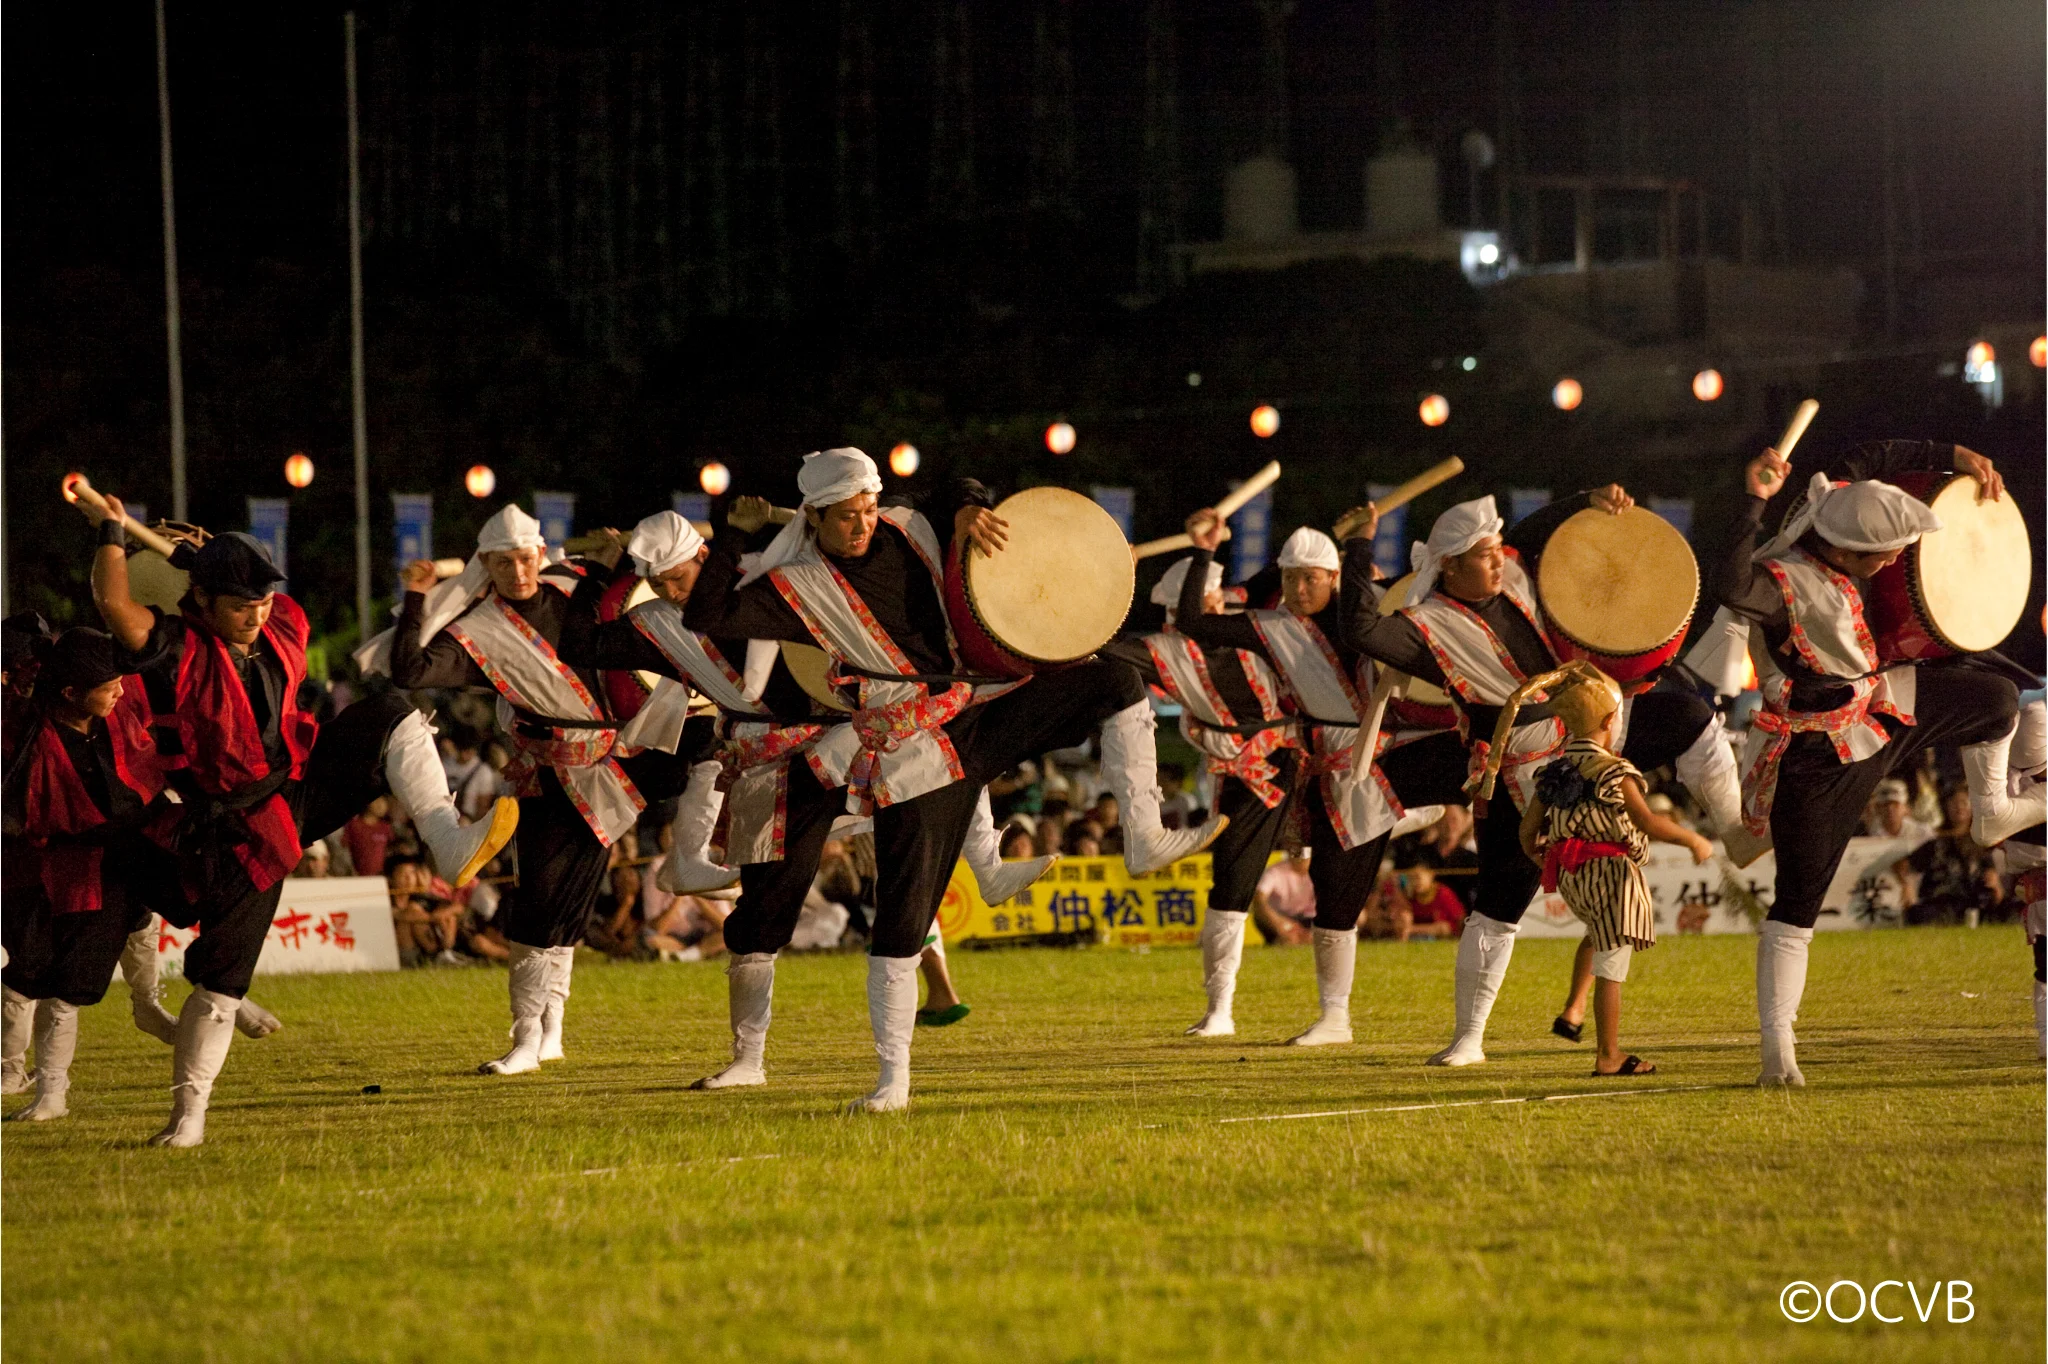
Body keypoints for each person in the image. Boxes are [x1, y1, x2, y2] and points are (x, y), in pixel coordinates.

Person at [682, 447, 1223, 1110]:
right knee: (886, 916)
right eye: (847, 516)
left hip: (972, 709)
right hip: (895, 750)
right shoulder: (795, 586)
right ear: (813, 518)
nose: (863, 523)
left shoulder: (906, 525)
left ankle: (1143, 835)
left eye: (867, 508)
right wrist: (732, 535)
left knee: (1116, 678)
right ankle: (872, 1080)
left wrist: (969, 509)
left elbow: (956, 483)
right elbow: (705, 616)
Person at [553, 505, 1054, 1091]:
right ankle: (748, 1060)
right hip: (766, 765)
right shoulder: (654, 626)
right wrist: (601, 575)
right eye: (659, 584)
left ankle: (987, 866)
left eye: (679, 578)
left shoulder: (769, 581)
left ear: (704, 557)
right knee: (762, 913)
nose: (671, 592)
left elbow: (827, 560)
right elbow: (579, 644)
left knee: (941, 751)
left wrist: (756, 529)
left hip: (842, 740)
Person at [79, 501, 516, 1146]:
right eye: (239, 605)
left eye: (261, 601)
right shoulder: (176, 648)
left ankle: (448, 841)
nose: (256, 615)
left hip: (297, 786)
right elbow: (115, 604)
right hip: (235, 826)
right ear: (201, 600)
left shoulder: (281, 623)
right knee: (222, 982)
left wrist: (202, 553)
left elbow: (255, 596)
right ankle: (187, 1118)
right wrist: (114, 532)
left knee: (392, 711)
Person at [1341, 486, 1744, 1068]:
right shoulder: (1425, 626)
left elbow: (1535, 535)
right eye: (1484, 555)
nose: (1498, 560)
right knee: (1501, 903)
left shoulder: (1512, 567)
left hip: (1590, 728)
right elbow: (1359, 628)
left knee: (1689, 717)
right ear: (1449, 566)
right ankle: (1468, 1038)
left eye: (1497, 548)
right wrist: (1359, 546)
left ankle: (1736, 828)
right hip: (1519, 769)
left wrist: (1587, 500)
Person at [1713, 439, 2034, 1084]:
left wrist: (1957, 456)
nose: (1894, 562)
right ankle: (1778, 1050)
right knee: (1798, 902)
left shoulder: (1835, 503)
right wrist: (1753, 501)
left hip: (1879, 702)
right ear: (1847, 551)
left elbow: (1871, 452)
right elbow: (1730, 584)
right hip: (1816, 752)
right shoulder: (1782, 584)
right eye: (1885, 555)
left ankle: (1992, 814)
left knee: (1996, 699)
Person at [381, 504, 688, 1076]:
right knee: (536, 905)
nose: (518, 573)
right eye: (504, 563)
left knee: (572, 907)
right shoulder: (479, 630)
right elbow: (410, 671)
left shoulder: (575, 588)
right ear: (486, 564)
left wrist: (614, 555)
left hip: (611, 767)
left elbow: (638, 592)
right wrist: (418, 597)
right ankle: (525, 1035)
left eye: (525, 559)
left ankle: (553, 1032)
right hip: (545, 775)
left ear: (541, 555)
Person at [1153, 517, 1458, 1045]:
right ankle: (1333, 1018)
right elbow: (1195, 623)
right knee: (1328, 883)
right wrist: (1204, 553)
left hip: (1374, 758)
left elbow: (1427, 590)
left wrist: (1368, 548)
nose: (1297, 589)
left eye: (1309, 579)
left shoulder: (1366, 609)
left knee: (1342, 885)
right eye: (1290, 578)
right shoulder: (1271, 625)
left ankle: (1337, 1014)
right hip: (1316, 765)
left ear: (1334, 577)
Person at [1509, 662, 1715, 1076]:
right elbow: (1647, 821)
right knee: (1613, 961)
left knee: (1597, 935)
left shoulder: (1555, 770)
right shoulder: (1614, 771)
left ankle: (1573, 1009)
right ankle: (1609, 1054)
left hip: (1573, 875)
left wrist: (1542, 858)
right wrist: (1692, 839)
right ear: (1609, 721)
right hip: (1611, 873)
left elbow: (1528, 831)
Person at [1863, 777, 1934, 843]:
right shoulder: (1870, 834)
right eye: (1885, 805)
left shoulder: (1922, 832)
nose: (1890, 809)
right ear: (1878, 808)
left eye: (1896, 804)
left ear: (1905, 808)